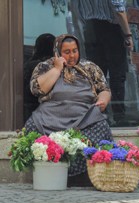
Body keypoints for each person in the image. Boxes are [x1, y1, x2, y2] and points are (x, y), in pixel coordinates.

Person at [24, 34, 113, 186]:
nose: (72, 55)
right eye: (67, 52)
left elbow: (104, 89)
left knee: (101, 126)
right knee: (32, 126)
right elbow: (37, 89)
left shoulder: (90, 67)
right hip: (50, 116)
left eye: (75, 51)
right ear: (58, 52)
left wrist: (103, 99)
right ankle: (51, 172)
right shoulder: (45, 66)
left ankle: (87, 176)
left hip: (83, 116)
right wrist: (58, 68)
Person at [70, 0, 133, 125]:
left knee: (96, 74)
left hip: (90, 27)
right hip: (111, 28)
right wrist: (128, 34)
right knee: (117, 73)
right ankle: (119, 115)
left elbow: (75, 8)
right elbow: (119, 9)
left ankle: (99, 114)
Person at [23, 33, 55, 122]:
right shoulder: (57, 67)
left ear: (36, 48)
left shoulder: (29, 65)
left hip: (30, 112)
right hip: (51, 113)